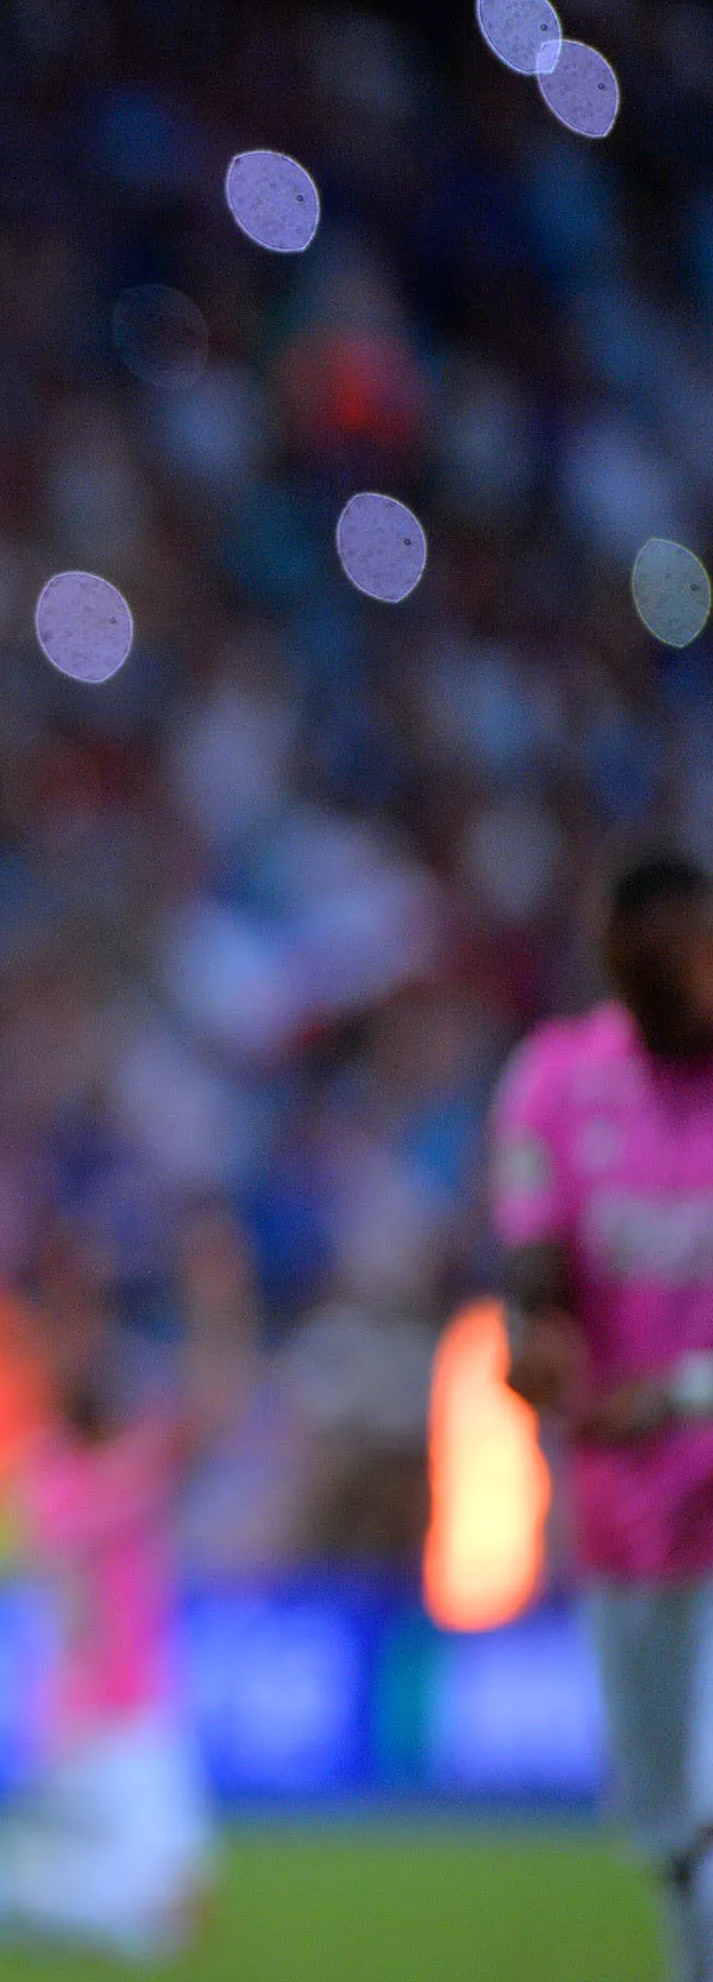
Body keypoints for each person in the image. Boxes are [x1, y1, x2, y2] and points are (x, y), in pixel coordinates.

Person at [0, 1209, 251, 1965]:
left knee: (157, 1911)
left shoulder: (43, 1477)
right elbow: (213, 1414)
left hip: (78, 1718)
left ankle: (8, 1882)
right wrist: (220, 1299)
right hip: (114, 1721)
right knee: (170, 1912)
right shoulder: (114, 1481)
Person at [495, 849, 713, 1982]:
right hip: (627, 1508)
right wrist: (544, 1345)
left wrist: (680, 1390)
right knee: (671, 1819)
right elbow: (536, 1273)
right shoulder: (556, 1080)